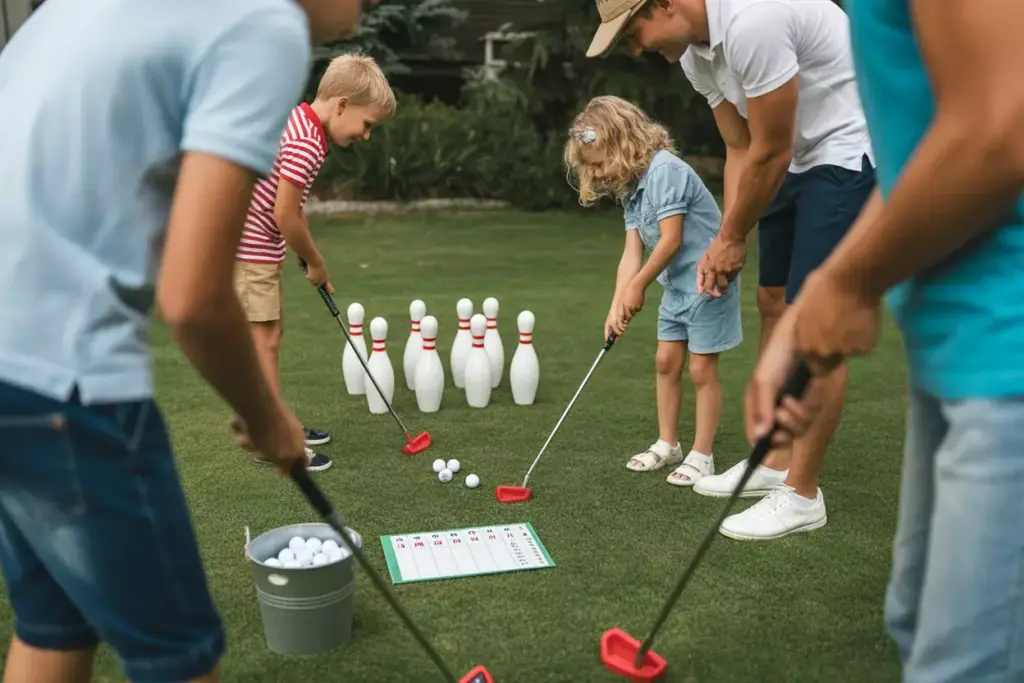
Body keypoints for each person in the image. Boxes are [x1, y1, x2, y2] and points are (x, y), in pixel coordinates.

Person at [0, 0, 369, 681]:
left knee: (54, 628)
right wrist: (269, 420)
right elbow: (194, 297)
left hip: (12, 376)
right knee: (178, 657)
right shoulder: (265, 22)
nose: (362, 12)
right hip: (63, 382)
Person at [747, 0, 1024, 679]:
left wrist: (848, 287)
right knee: (912, 616)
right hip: (957, 349)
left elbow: (1002, 127)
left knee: (965, 663)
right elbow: (921, 149)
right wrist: (826, 291)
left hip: (1009, 349)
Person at [585, 0, 875, 540]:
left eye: (634, 32)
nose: (639, 48)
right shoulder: (697, 56)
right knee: (772, 303)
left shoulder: (750, 21)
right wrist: (725, 236)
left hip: (845, 154)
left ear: (665, 3)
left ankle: (802, 494)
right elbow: (740, 147)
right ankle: (774, 461)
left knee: (817, 322)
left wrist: (733, 237)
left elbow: (771, 146)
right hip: (793, 161)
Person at [565, 96, 742, 486]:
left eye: (599, 162)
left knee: (700, 368)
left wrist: (639, 286)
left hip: (709, 283)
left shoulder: (665, 171)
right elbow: (632, 252)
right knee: (665, 362)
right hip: (676, 287)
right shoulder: (631, 187)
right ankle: (668, 444)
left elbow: (670, 241)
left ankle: (702, 455)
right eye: (590, 168)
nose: (596, 174)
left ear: (623, 142)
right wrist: (617, 304)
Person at [232, 51, 396, 472]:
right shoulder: (307, 142)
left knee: (270, 333)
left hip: (253, 245)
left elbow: (292, 207)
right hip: (249, 248)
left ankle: (273, 420)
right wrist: (316, 260)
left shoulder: (301, 123)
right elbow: (283, 214)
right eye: (367, 125)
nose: (366, 136)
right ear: (342, 104)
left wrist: (306, 254)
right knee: (264, 340)